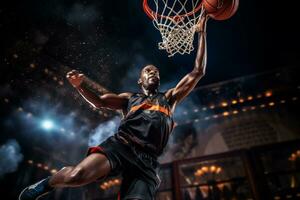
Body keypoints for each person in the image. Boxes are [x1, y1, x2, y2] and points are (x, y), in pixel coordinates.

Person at [19, 13, 209, 200]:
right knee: (76, 176)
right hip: (121, 146)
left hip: (147, 161)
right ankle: (45, 184)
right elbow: (99, 102)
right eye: (148, 71)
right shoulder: (129, 98)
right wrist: (80, 87)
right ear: (140, 80)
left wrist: (201, 33)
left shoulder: (169, 98)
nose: (153, 72)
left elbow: (198, 71)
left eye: (156, 71)